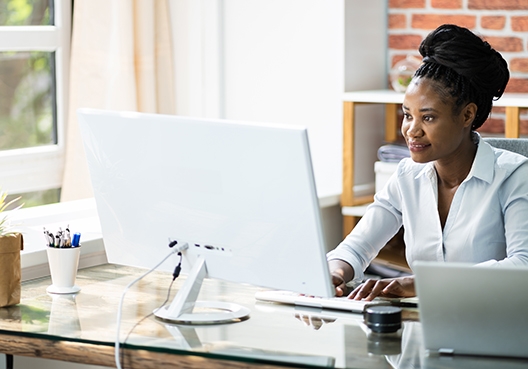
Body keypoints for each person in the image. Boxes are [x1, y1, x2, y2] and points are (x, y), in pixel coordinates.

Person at [327, 24, 528, 301]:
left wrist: (423, 284)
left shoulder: (514, 175)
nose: (411, 130)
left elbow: (523, 266)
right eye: (408, 115)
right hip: (422, 327)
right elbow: (356, 248)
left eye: (428, 117)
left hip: (495, 329)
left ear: (467, 115)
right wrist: (336, 272)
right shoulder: (407, 176)